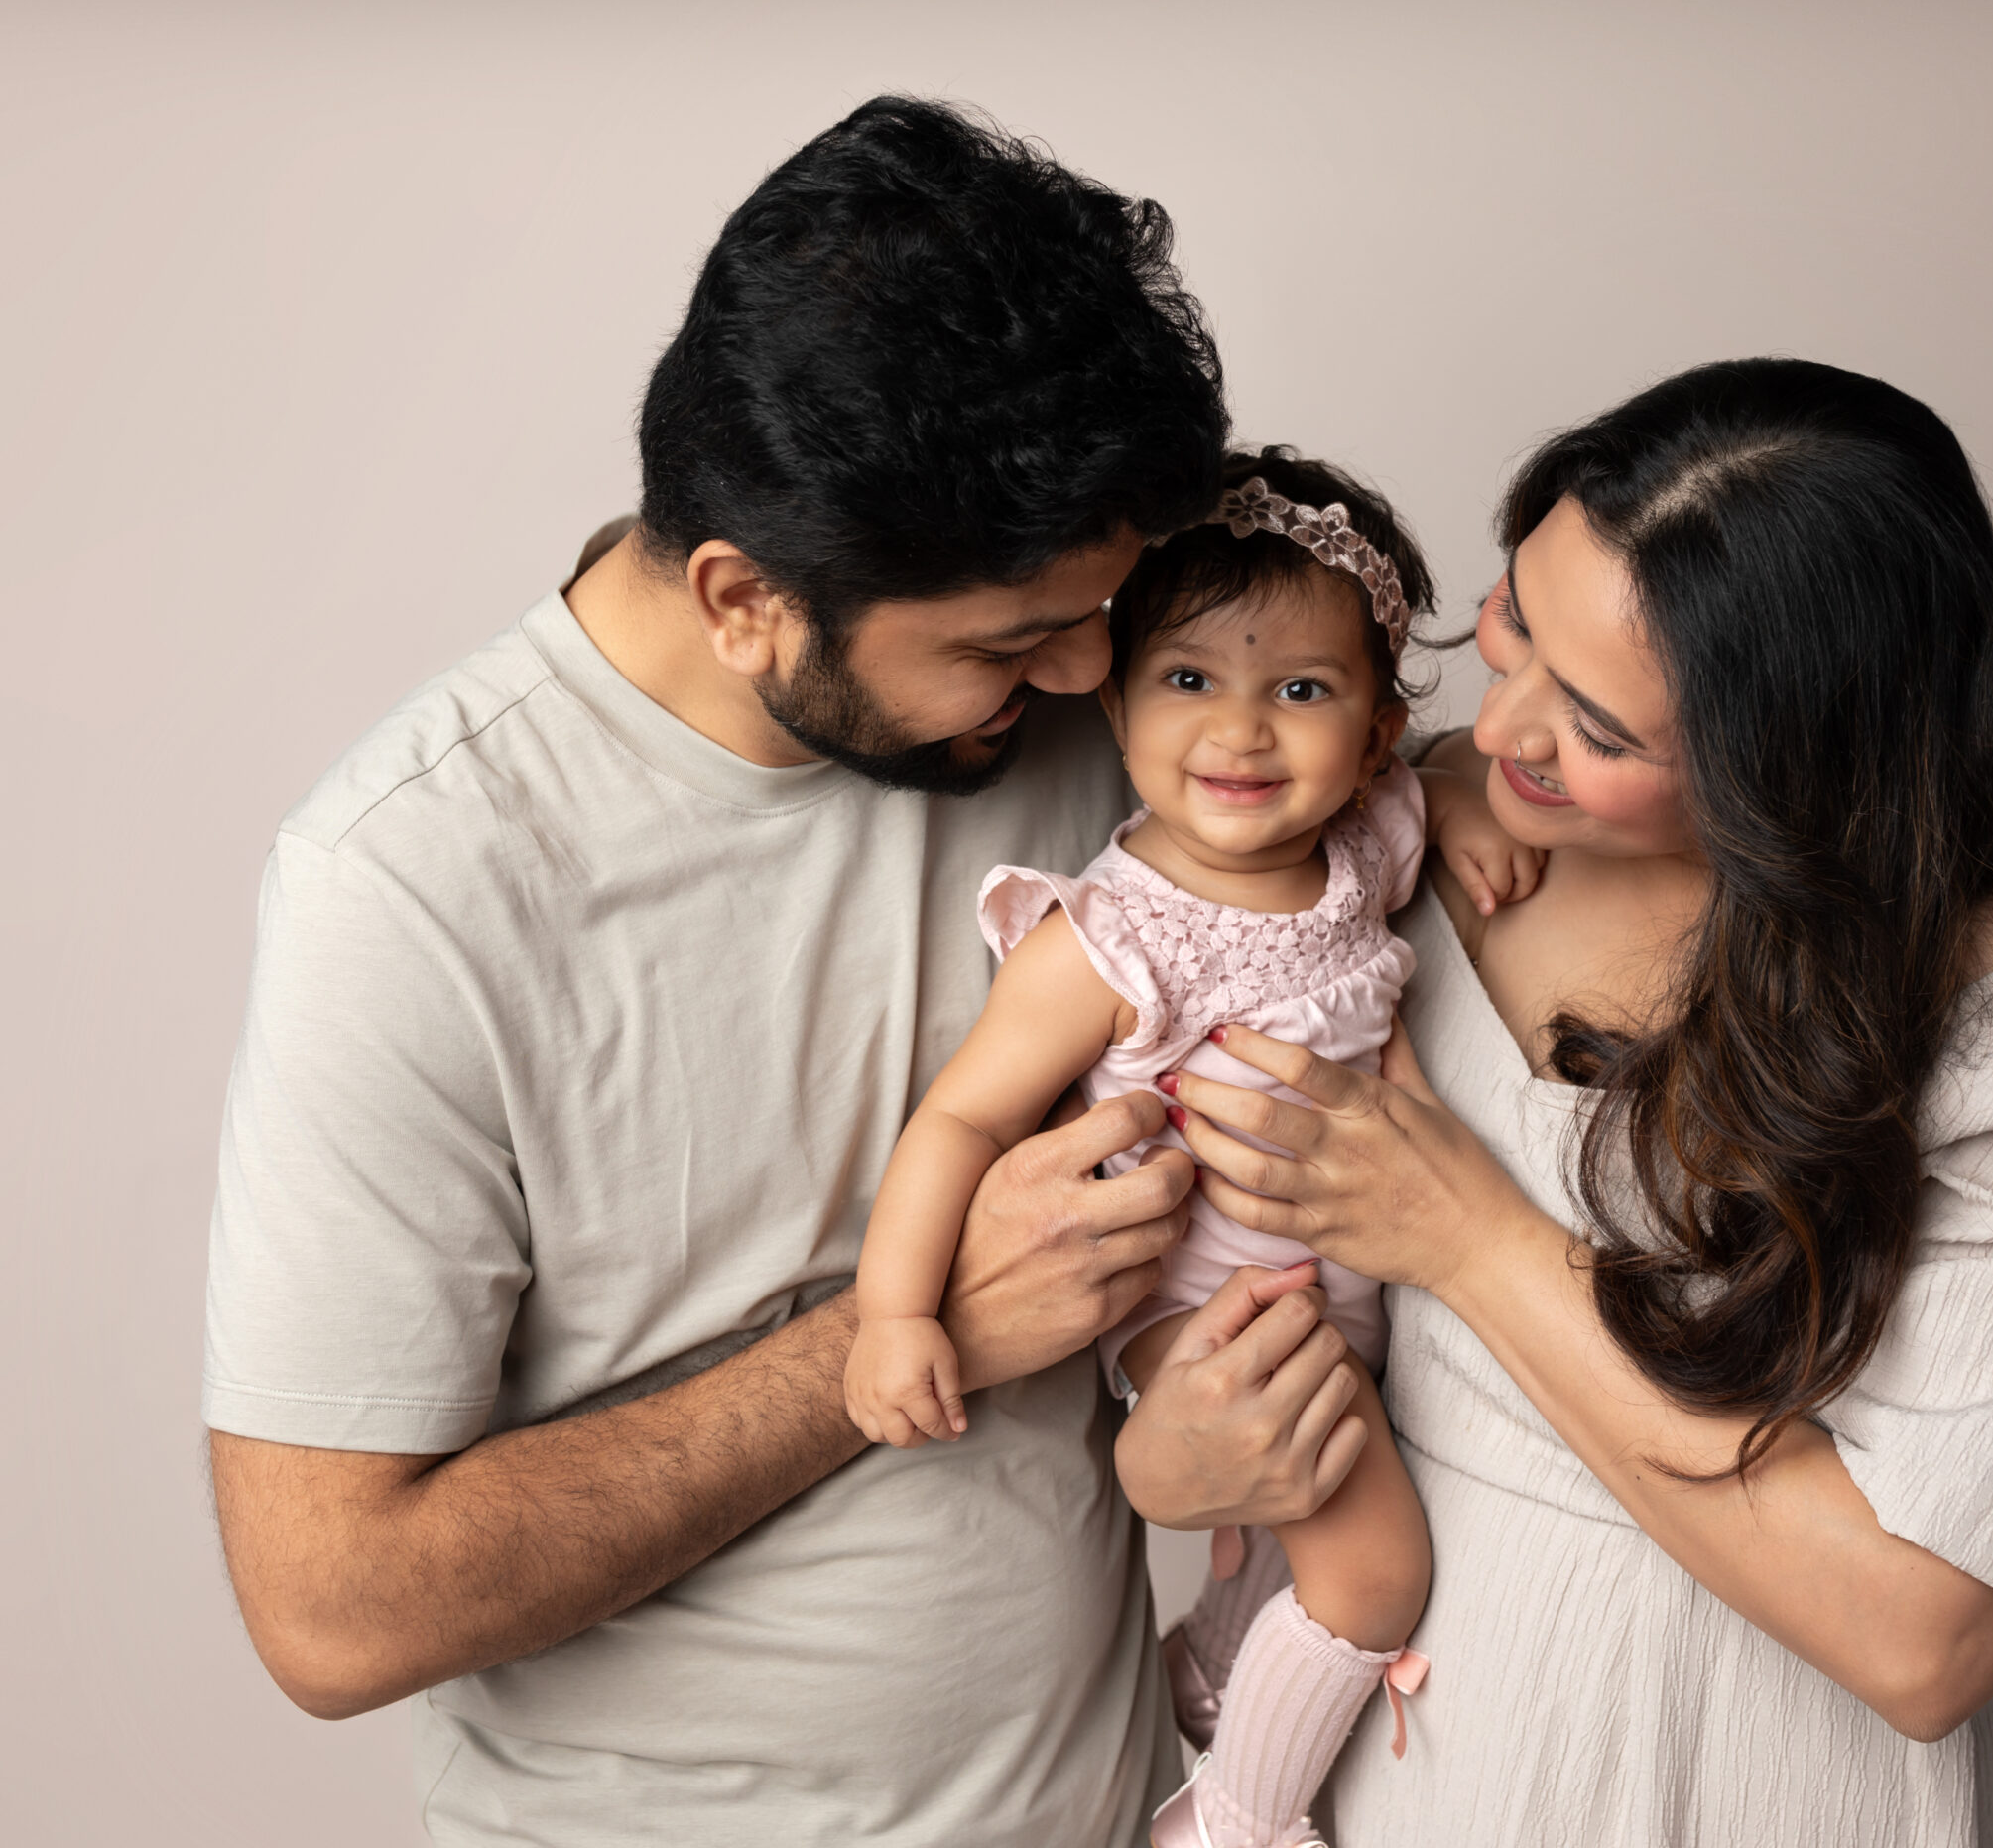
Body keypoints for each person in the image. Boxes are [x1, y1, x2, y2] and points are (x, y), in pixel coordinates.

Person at [200, 98, 1366, 1847]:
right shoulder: (414, 882)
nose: (1087, 688)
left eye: (1102, 622)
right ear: (747, 600)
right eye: (1011, 644)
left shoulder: (1085, 700)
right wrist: (910, 1335)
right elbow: (334, 1607)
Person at [1152, 360, 1993, 1843]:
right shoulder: (1388, 837)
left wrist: (1471, 1238)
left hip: (1713, 1781)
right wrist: (1168, 1445)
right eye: (1515, 628)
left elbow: (1923, 1642)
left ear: (1795, 758)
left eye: (1599, 730)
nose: (1509, 727)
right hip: (1355, 1769)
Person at [841, 450, 1538, 1848]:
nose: (1242, 732)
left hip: (1350, 1289)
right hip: (1207, 1315)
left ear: (1377, 737)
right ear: (1112, 697)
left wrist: (1461, 807)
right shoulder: (1109, 934)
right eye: (1188, 680)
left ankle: (1223, 1662)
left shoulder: (1367, 844)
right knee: (1377, 1570)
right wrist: (892, 1311)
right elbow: (963, 1119)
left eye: (1300, 691)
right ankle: (1233, 1821)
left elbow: (1436, 791)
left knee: (1295, 1547)